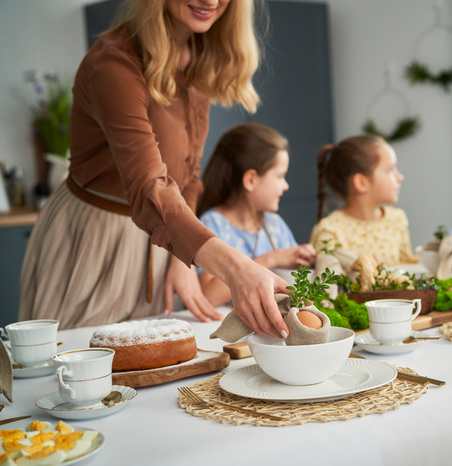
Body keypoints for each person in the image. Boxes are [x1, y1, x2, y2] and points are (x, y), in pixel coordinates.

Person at [19, 0, 291, 338]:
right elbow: (150, 187)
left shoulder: (198, 56)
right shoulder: (114, 62)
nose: (211, 1)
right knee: (76, 365)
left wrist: (181, 257)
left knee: (140, 370)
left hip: (160, 237)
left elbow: (187, 176)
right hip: (96, 238)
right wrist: (238, 270)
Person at [196, 123, 316, 306]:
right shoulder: (211, 224)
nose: (286, 185)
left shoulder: (274, 225)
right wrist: (271, 258)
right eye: (280, 176)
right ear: (251, 179)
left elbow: (297, 283)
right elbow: (207, 298)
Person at [310, 134, 418, 266]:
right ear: (361, 183)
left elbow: (408, 268)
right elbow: (328, 280)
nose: (400, 177)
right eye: (390, 169)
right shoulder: (330, 230)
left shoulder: (398, 219)